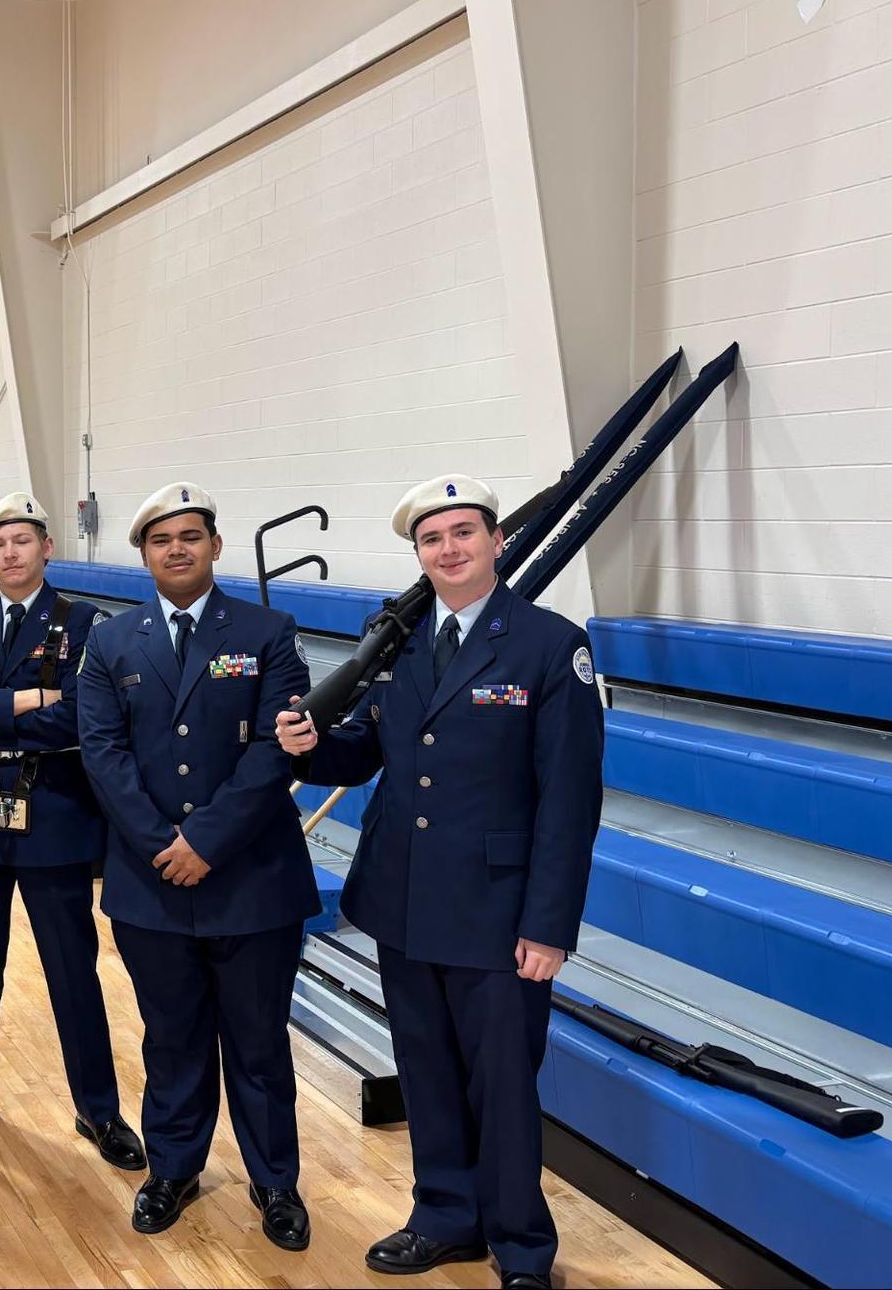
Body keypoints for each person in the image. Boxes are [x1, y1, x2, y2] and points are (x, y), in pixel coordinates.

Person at [275, 474, 603, 1290]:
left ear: (496, 541)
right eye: (432, 538)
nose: (449, 549)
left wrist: (549, 923)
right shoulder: (398, 642)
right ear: (417, 553)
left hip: (497, 912)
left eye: (464, 532)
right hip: (405, 899)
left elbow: (570, 798)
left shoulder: (547, 645)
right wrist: (310, 743)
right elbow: (369, 754)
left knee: (502, 1085)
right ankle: (445, 1217)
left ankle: (523, 1247)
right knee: (424, 1069)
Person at [76, 483, 319, 1245]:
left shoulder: (269, 630)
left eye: (190, 535)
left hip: (251, 879)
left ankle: (275, 1180)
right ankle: (173, 1167)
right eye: (160, 538)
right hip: (150, 883)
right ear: (142, 552)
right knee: (171, 1036)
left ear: (216, 545)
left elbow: (276, 747)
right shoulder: (111, 641)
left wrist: (205, 841)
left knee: (258, 1039)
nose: (176, 548)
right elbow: (103, 752)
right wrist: (161, 843)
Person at [0, 492, 144, 1171]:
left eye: (23, 540)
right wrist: (27, 699)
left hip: (58, 813)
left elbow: (79, 718)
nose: (11, 553)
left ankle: (99, 1110)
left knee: (73, 970)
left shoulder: (86, 625)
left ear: (47, 548)